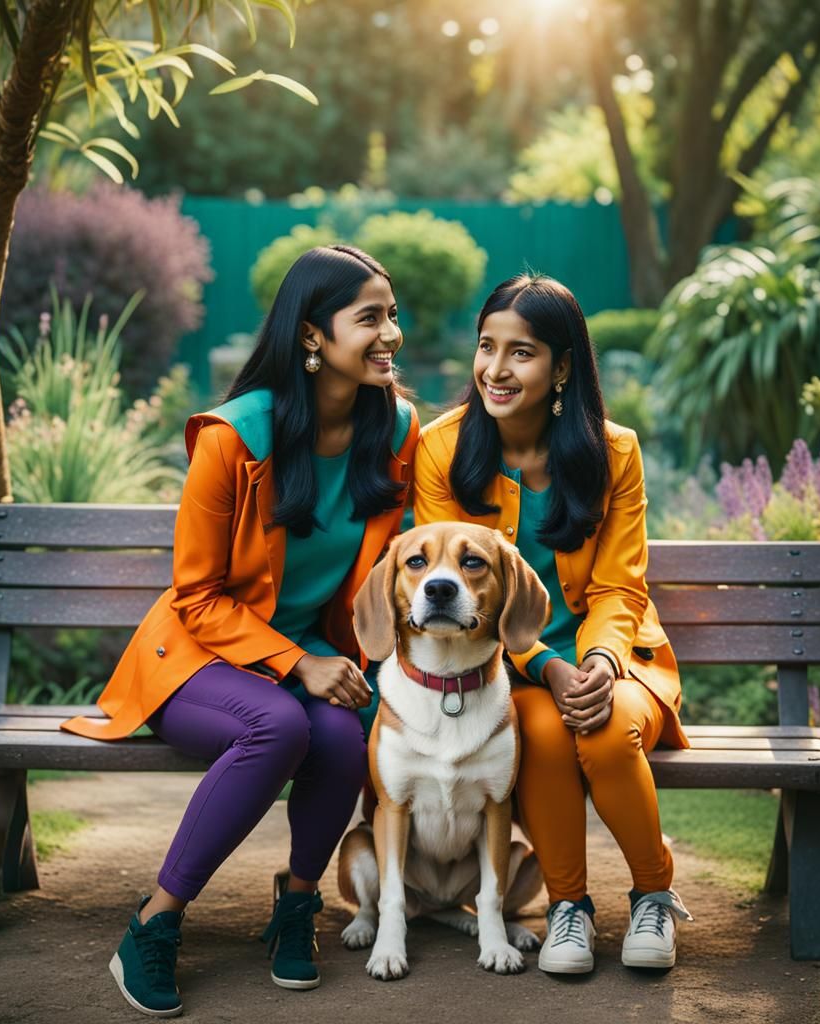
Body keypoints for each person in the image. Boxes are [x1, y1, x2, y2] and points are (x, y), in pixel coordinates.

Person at [62, 245, 418, 1015]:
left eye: (393, 314)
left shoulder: (394, 429)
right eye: (370, 318)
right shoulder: (232, 439)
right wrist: (299, 664)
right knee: (279, 724)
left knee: (342, 731)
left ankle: (296, 907)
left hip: (307, 658)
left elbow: (392, 562)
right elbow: (197, 596)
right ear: (313, 337)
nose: (390, 333)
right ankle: (153, 924)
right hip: (198, 659)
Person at [412, 273, 692, 976]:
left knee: (602, 729)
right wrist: (545, 663)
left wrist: (597, 663)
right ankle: (570, 906)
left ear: (562, 365)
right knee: (537, 730)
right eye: (486, 347)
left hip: (618, 656)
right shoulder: (442, 450)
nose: (496, 370)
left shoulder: (614, 451)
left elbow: (619, 585)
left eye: (522, 353)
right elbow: (452, 595)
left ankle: (654, 893)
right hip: (505, 664)